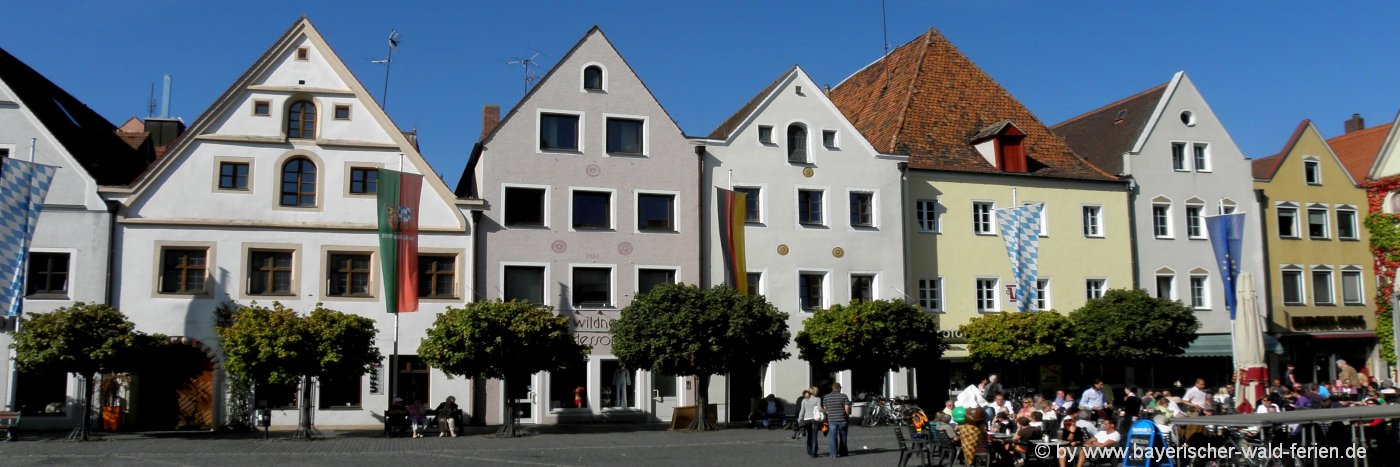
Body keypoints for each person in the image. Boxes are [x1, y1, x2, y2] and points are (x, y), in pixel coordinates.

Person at [823, 382, 851, 459]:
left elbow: (825, 409)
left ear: (832, 388)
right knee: (843, 436)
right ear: (838, 388)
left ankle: (833, 454)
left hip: (832, 419)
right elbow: (847, 408)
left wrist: (830, 413)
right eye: (840, 388)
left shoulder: (826, 397)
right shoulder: (843, 396)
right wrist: (847, 415)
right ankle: (843, 452)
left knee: (832, 436)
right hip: (842, 419)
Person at [798, 387, 822, 457]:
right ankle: (814, 452)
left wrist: (799, 420)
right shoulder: (818, 399)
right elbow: (820, 408)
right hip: (815, 419)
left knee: (809, 435)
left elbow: (802, 411)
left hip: (806, 419)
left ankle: (809, 451)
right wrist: (825, 412)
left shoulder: (804, 400)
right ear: (815, 392)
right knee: (814, 436)